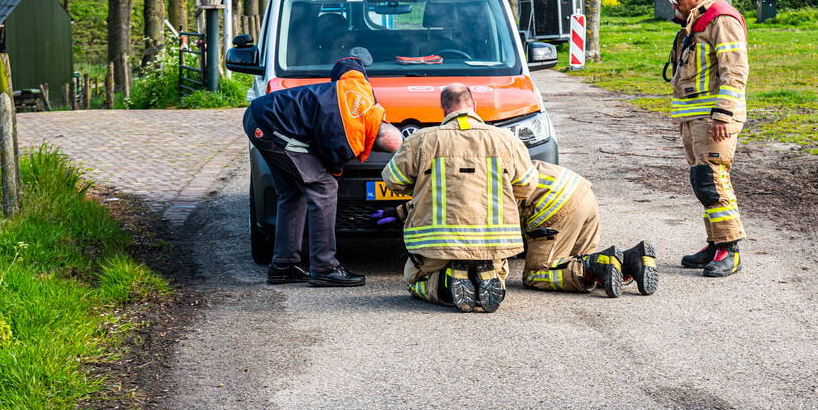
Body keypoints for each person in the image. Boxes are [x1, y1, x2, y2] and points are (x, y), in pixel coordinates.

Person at [243, 56, 403, 287]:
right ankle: (324, 268)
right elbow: (331, 168)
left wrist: (350, 70)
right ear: (373, 142)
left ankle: (283, 266)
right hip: (270, 126)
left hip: (264, 113)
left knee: (292, 193)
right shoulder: (346, 140)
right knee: (324, 188)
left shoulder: (363, 90)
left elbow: (348, 65)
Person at [380, 83, 537, 312]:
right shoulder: (507, 140)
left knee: (414, 280)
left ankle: (444, 283)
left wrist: (423, 188)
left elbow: (394, 181)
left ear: (443, 109)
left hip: (438, 241)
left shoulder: (420, 140)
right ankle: (486, 271)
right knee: (499, 271)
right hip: (493, 240)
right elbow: (526, 184)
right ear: (474, 104)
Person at [664, 0, 749, 278]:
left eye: (678, 1)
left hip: (715, 118)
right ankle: (715, 244)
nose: (675, 6)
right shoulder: (695, 22)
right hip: (693, 117)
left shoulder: (721, 21)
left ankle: (730, 249)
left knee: (714, 180)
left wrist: (723, 113)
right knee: (703, 182)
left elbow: (735, 71)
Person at [520, 161, 658, 297]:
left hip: (556, 204)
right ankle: (632, 260)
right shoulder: (507, 161)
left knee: (536, 274)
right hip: (581, 192)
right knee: (568, 262)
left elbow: (503, 234)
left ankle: (593, 268)